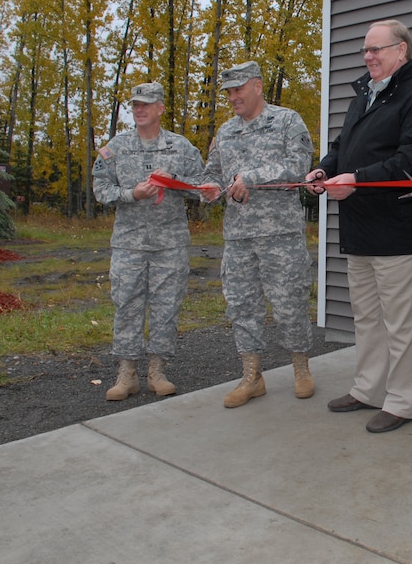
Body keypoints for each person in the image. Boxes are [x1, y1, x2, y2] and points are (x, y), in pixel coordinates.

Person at [306, 19, 412, 434]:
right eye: (366, 50)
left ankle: (403, 401)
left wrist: (357, 180)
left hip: (402, 233)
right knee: (367, 319)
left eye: (376, 49)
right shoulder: (364, 95)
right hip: (361, 231)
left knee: (405, 326)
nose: (368, 56)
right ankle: (368, 389)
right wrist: (324, 169)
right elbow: (341, 148)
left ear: (401, 51)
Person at [201, 61, 316, 407]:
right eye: (229, 92)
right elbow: (213, 174)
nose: (233, 97)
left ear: (257, 86)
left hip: (280, 235)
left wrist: (252, 177)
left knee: (290, 303)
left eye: (238, 89)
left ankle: (301, 368)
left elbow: (299, 167)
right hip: (238, 238)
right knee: (242, 306)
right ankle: (252, 376)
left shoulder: (286, 121)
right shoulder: (225, 132)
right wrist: (207, 188)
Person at [92, 81, 205, 401]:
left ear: (160, 108)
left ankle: (157, 370)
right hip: (129, 243)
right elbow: (100, 188)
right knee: (126, 305)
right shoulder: (117, 146)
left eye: (145, 104)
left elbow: (200, 186)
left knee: (166, 307)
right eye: (135, 105)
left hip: (169, 243)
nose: (139, 109)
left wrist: (178, 185)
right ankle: (126, 373)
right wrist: (132, 194)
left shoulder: (180, 147)